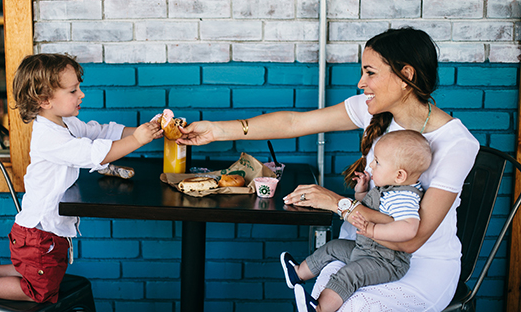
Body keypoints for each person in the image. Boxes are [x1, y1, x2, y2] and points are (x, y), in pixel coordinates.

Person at [177, 27, 480, 311]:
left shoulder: (456, 144)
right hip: (359, 250)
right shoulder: (372, 109)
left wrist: (336, 202)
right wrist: (216, 130)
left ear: (406, 75)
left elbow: (412, 239)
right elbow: (296, 123)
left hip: (421, 265)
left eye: (370, 73)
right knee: (322, 300)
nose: (361, 83)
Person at [0, 53, 163, 302]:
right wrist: (137, 140)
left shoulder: (66, 123)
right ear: (45, 100)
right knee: (40, 292)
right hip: (39, 232)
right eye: (73, 90)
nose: (82, 94)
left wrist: (144, 131)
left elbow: (100, 131)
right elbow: (92, 154)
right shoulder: (49, 137)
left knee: (41, 270)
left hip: (43, 231)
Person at [280, 129, 431, 312]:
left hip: (386, 261)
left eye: (377, 163)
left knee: (348, 275)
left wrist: (373, 231)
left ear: (399, 175)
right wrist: (362, 192)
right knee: (333, 247)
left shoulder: (404, 198)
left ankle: (320, 308)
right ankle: (298, 274)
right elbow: (372, 209)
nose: (372, 166)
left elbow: (409, 229)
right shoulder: (390, 189)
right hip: (367, 249)